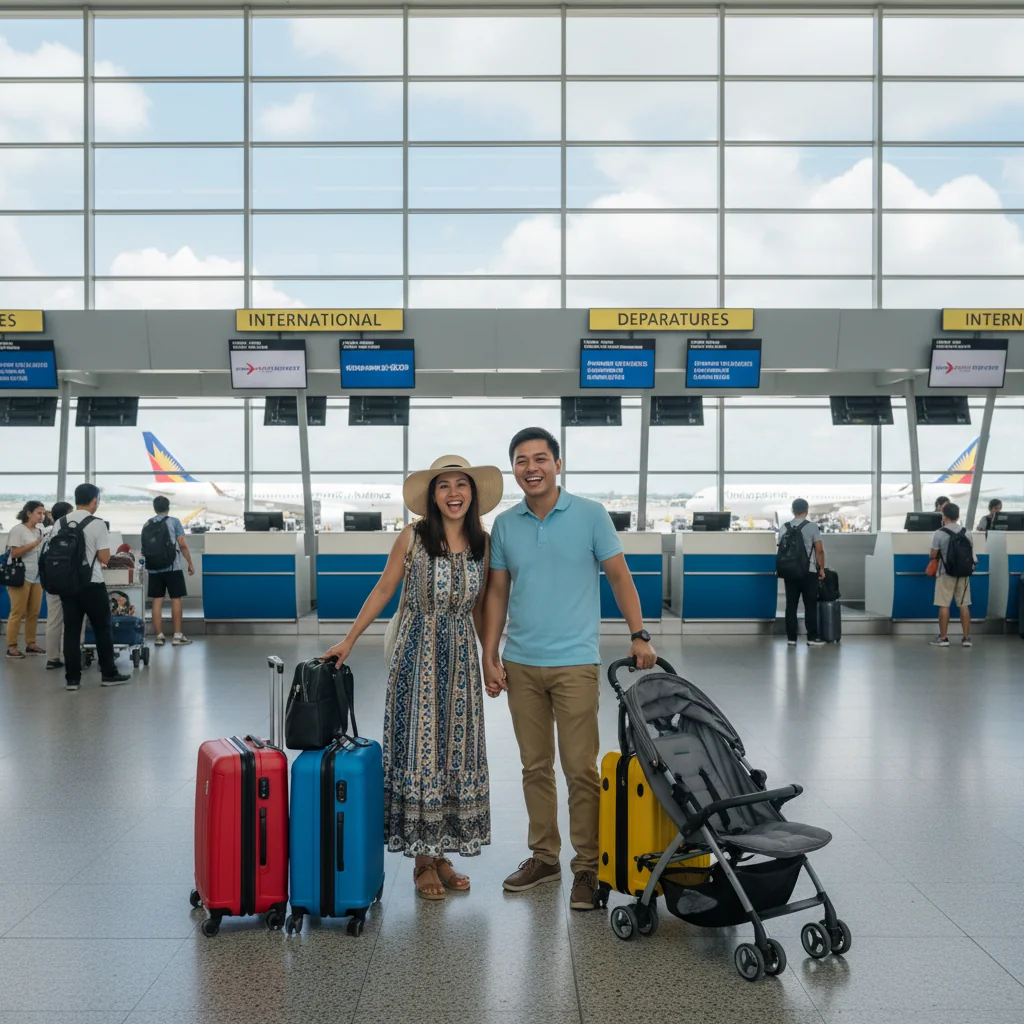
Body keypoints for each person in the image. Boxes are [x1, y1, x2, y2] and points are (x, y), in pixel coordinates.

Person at [481, 427, 657, 912]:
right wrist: (489, 653)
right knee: (534, 767)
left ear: (557, 464)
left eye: (540, 458)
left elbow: (619, 576)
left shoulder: (590, 515)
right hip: (520, 663)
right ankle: (545, 857)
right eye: (521, 460)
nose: (531, 467)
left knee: (580, 769)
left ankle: (588, 867)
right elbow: (497, 592)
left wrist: (638, 633)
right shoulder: (506, 525)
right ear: (513, 469)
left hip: (575, 662)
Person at [322, 455, 502, 901]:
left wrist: (489, 658)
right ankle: (423, 861)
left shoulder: (484, 542)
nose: (454, 493)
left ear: (473, 495)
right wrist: (348, 640)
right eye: (445, 486)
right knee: (422, 753)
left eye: (462, 485)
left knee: (454, 753)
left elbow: (481, 607)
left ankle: (440, 854)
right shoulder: (414, 537)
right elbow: (384, 589)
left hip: (460, 657)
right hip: (417, 655)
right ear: (432, 495)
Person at [57, 484, 131, 691]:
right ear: (94, 501)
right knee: (102, 628)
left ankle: (72, 679)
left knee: (71, 631)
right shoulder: (98, 524)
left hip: (67, 584)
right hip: (92, 584)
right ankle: (108, 673)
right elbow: (104, 558)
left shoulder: (60, 522)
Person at [144, 496, 195, 646]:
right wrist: (190, 562)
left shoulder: (147, 523)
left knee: (157, 600)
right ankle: (177, 636)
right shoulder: (174, 521)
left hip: (154, 568)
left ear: (154, 508)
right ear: (168, 507)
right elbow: (182, 544)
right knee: (176, 599)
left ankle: (159, 636)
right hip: (173, 567)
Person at [778, 498, 827, 647]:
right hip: (809, 571)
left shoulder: (784, 527)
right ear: (807, 510)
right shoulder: (812, 527)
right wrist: (822, 569)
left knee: (791, 605)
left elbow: (781, 549)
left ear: (793, 511)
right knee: (810, 605)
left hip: (789, 571)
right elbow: (819, 550)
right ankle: (812, 637)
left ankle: (791, 638)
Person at [929, 502, 975, 648]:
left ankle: (943, 639)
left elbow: (933, 554)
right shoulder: (967, 532)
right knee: (964, 605)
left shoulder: (939, 533)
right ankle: (966, 638)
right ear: (958, 516)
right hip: (964, 573)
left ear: (944, 516)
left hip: (945, 573)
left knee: (944, 605)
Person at [5, 500, 47, 659]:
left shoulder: (40, 531)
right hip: (21, 576)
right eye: (39, 513)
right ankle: (12, 646)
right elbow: (15, 553)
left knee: (34, 612)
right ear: (29, 513)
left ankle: (31, 643)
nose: (41, 516)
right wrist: (35, 544)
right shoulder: (18, 530)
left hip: (36, 576)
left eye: (43, 513)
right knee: (17, 612)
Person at [43, 500, 74, 670]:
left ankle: (52, 658)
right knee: (77, 619)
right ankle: (75, 653)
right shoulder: (72, 532)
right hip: (71, 582)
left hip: (51, 581)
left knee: (53, 620)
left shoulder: (47, 533)